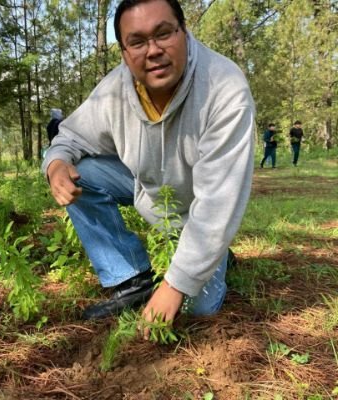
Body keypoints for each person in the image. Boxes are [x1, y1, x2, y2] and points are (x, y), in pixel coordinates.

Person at [42, 0, 255, 336]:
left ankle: (216, 255)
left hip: (199, 212)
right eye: (138, 42)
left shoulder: (224, 88)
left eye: (164, 34)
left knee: (195, 308)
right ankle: (132, 277)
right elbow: (70, 135)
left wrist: (175, 285)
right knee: (80, 168)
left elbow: (218, 202)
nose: (153, 51)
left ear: (184, 32)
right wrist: (55, 165)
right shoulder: (116, 89)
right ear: (125, 53)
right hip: (150, 191)